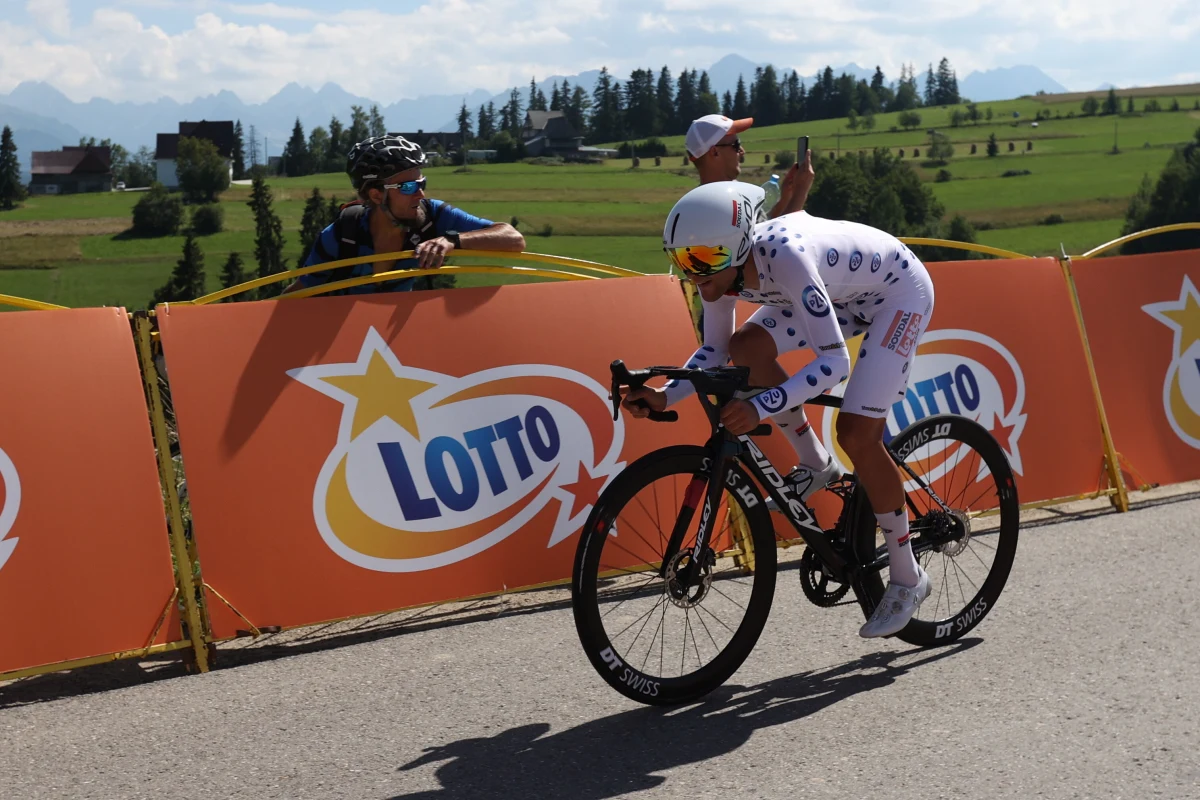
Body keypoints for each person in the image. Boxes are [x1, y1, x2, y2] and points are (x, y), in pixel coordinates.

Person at [626, 180, 936, 639]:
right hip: (842, 293)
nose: (694, 274)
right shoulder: (724, 271)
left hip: (898, 294)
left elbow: (834, 362)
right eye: (682, 261)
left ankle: (909, 577)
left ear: (736, 247)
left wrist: (763, 407)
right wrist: (663, 396)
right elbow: (714, 351)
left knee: (856, 434)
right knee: (744, 345)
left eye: (704, 260)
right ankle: (814, 462)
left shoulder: (785, 259)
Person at [286, 134, 525, 295]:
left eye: (422, 183)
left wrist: (452, 240)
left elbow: (514, 239)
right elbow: (297, 294)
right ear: (376, 195)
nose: (420, 195)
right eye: (408, 187)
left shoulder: (432, 215)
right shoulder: (341, 235)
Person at [685, 114, 810, 219]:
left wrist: (785, 199)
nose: (742, 151)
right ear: (714, 152)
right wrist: (801, 191)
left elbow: (763, 230)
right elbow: (772, 245)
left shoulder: (698, 206)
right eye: (736, 144)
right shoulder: (729, 205)